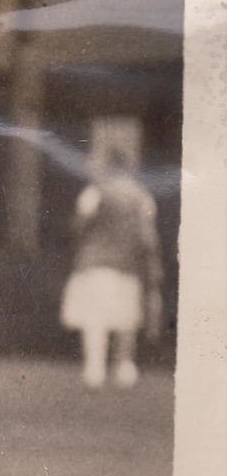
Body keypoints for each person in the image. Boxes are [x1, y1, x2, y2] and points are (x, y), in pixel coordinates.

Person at [61, 146, 164, 388]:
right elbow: (148, 237)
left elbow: (78, 225)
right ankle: (125, 368)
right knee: (126, 317)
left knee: (95, 317)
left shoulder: (95, 192)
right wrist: (152, 264)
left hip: (95, 262)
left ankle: (94, 369)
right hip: (128, 265)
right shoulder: (142, 196)